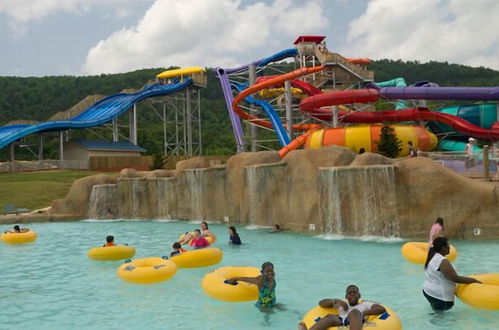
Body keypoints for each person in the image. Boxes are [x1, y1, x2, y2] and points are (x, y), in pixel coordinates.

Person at [422, 236, 481, 311]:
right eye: (447, 245)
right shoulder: (442, 260)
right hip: (440, 297)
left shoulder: (433, 256)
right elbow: (455, 278)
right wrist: (474, 280)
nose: (449, 247)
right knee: (442, 320)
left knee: (437, 314)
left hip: (429, 292)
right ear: (443, 248)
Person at [298, 285, 386, 330]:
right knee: (330, 317)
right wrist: (336, 301)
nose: (352, 294)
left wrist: (363, 313)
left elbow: (381, 308)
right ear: (346, 296)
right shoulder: (342, 304)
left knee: (354, 312)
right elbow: (321, 303)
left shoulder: (365, 304)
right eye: (349, 293)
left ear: (359, 295)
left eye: (354, 293)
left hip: (357, 318)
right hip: (342, 320)